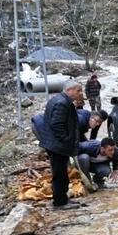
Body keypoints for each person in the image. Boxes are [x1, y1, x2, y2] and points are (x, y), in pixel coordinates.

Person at [40, 80, 83, 210]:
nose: (80, 93)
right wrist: (66, 139)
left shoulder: (61, 100)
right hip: (57, 145)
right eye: (78, 90)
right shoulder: (62, 103)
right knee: (59, 175)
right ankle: (59, 202)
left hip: (56, 144)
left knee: (61, 173)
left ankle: (62, 199)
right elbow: (57, 125)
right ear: (69, 90)